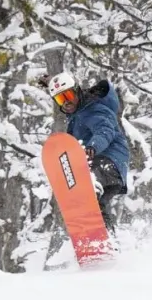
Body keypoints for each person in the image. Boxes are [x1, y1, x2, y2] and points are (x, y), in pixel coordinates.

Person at [41, 71, 130, 236]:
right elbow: (66, 92)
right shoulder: (80, 113)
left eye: (68, 95)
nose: (66, 102)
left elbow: (104, 130)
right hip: (106, 168)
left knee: (88, 184)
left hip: (109, 160)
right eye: (61, 99)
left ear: (77, 91)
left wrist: (93, 147)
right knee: (97, 205)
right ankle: (107, 240)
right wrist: (52, 83)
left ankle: (90, 188)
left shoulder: (94, 110)